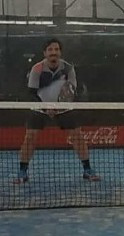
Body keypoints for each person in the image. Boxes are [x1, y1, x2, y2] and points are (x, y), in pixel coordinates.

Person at [14, 38, 100, 184]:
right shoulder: (37, 69)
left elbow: (72, 90)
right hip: (40, 107)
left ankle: (87, 170)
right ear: (45, 53)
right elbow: (31, 93)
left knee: (78, 137)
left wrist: (60, 105)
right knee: (30, 138)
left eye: (56, 49)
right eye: (50, 50)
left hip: (63, 107)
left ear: (60, 52)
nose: (53, 52)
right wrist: (46, 107)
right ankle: (22, 172)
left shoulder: (68, 68)